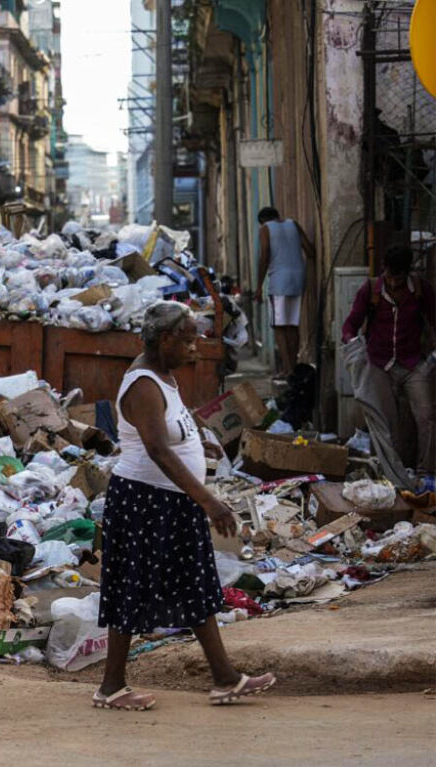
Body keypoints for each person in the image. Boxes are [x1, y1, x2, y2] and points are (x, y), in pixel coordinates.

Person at [93, 301, 275, 711]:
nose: (196, 348)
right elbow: (157, 449)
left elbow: (172, 431)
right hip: (144, 501)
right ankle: (110, 687)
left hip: (171, 501)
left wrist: (199, 440)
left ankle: (225, 678)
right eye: (189, 340)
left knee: (195, 586)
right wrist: (209, 501)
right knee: (131, 587)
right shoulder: (142, 383)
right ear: (164, 340)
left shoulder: (165, 376)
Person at [342, 246, 435, 491]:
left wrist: (432, 358)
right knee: (386, 423)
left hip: (413, 363)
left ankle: (425, 473)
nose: (393, 283)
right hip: (379, 363)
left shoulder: (420, 290)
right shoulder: (370, 289)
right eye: (390, 277)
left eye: (398, 278)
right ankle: (394, 474)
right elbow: (350, 325)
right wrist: (353, 349)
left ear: (407, 274)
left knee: (426, 417)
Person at [254, 207, 315, 380]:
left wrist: (259, 286)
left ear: (263, 220)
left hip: (279, 281)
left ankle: (287, 370)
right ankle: (293, 368)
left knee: (279, 326)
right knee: (292, 325)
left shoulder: (265, 229)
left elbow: (265, 255)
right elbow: (310, 251)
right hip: (298, 278)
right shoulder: (293, 224)